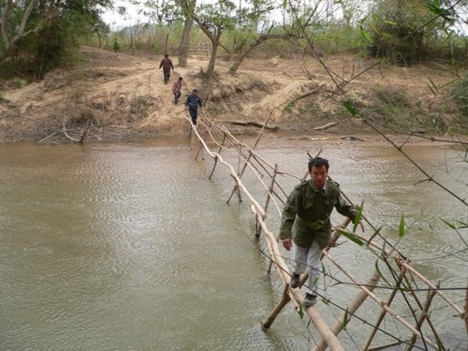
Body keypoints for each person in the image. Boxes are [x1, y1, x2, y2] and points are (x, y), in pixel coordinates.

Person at [279, 156, 364, 308]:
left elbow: (343, 206)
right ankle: (296, 273)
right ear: (310, 174)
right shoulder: (300, 191)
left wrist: (356, 216)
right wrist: (285, 234)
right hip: (303, 229)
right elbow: (288, 212)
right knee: (298, 260)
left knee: (314, 264)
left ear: (327, 173)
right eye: (315, 173)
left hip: (322, 231)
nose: (319, 177)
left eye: (322, 173)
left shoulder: (332, 189)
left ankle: (312, 293)